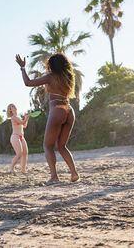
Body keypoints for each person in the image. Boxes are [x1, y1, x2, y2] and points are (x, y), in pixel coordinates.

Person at [15, 53, 79, 184]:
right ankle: (74, 173)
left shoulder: (51, 77)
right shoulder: (68, 77)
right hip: (69, 110)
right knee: (62, 146)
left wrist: (22, 68)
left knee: (48, 146)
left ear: (52, 65)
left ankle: (54, 177)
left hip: (57, 110)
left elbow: (28, 83)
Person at [6, 103, 30, 174]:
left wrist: (26, 118)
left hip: (21, 137)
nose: (14, 106)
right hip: (15, 136)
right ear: (10, 109)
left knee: (25, 153)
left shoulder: (18, 116)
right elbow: (22, 122)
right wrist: (27, 117)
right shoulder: (13, 117)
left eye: (14, 105)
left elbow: (24, 125)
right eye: (12, 106)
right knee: (19, 154)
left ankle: (23, 170)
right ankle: (11, 168)